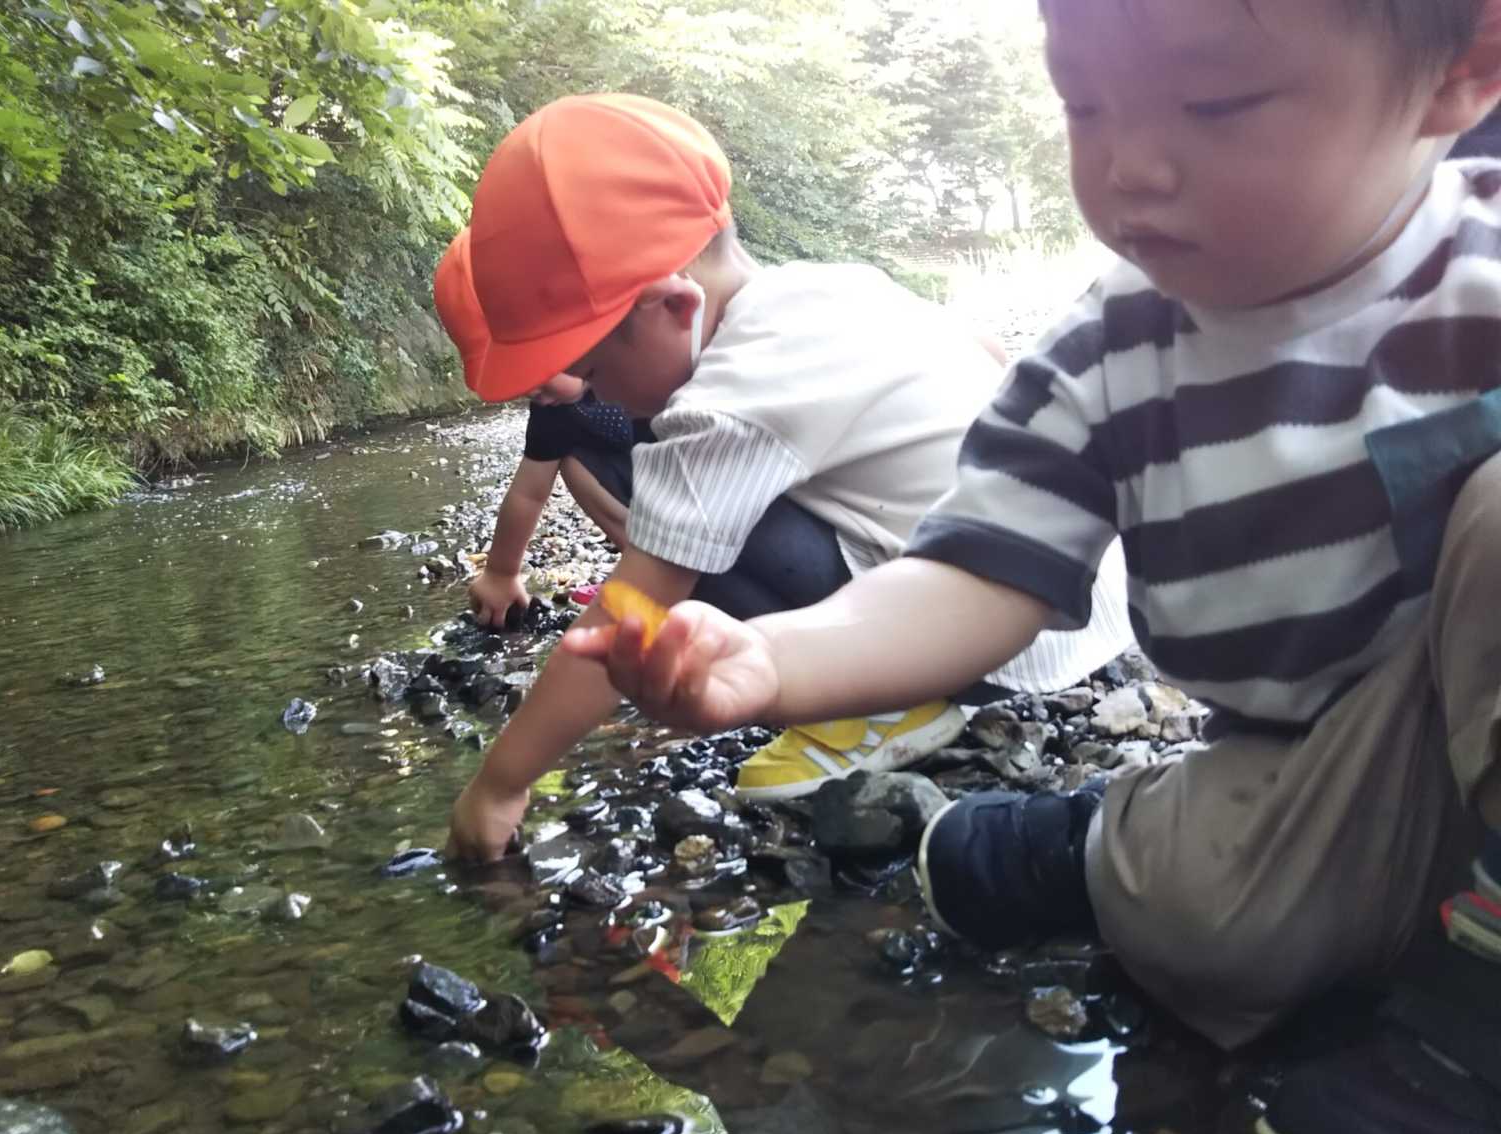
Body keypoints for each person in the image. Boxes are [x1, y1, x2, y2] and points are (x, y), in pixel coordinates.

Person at [570, 0, 1501, 1057]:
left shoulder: (1481, 268)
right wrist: (775, 655)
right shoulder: (1106, 353)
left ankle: (1469, 1036)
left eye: (1216, 102)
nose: (1130, 166)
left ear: (1460, 73)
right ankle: (1092, 844)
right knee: (1210, 934)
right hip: (1320, 769)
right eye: (1084, 105)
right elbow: (972, 574)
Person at [441, 93, 1134, 854]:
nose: (595, 398)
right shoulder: (830, 286)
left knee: (673, 524)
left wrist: (500, 783)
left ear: (673, 306)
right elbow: (986, 354)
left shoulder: (729, 400)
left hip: (994, 644)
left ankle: (888, 707)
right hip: (1085, 594)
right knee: (687, 503)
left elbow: (628, 609)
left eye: (594, 371)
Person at [434, 228, 643, 626]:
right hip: (646, 510)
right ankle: (647, 562)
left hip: (718, 503)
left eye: (535, 366)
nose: (531, 388)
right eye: (514, 377)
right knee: (568, 460)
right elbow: (529, 493)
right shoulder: (556, 407)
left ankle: (668, 571)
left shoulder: (652, 360)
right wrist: (500, 571)